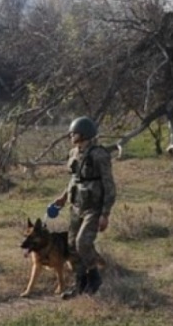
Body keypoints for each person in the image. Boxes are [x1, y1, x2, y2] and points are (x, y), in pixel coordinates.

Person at [53, 116, 116, 299]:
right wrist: (64, 197)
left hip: (93, 208)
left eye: (74, 133)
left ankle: (94, 278)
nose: (71, 135)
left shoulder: (99, 154)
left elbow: (109, 185)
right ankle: (80, 284)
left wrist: (105, 213)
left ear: (85, 134)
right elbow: (75, 179)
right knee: (72, 246)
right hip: (76, 205)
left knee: (83, 243)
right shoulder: (74, 153)